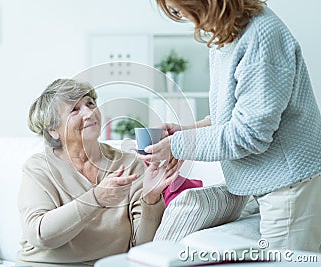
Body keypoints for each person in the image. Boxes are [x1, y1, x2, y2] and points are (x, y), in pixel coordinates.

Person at [138, 0, 321, 252]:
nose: (181, 16)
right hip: (271, 183)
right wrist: (187, 131)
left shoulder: (260, 36)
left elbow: (250, 134)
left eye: (179, 9)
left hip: (289, 182)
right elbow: (233, 116)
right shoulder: (226, 34)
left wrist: (177, 146)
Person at [17, 79, 179, 266]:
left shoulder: (129, 164)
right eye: (74, 110)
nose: (89, 112)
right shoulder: (39, 168)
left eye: (90, 103)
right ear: (53, 130)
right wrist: (96, 199)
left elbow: (140, 247)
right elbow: (40, 234)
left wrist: (151, 199)